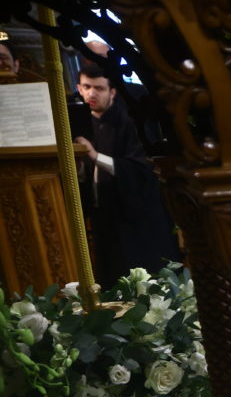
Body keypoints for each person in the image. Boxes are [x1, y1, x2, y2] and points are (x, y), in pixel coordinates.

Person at [74, 63, 181, 285]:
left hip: (136, 217)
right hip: (104, 216)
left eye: (99, 88)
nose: (92, 94)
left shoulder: (129, 120)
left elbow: (141, 168)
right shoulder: (79, 123)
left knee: (147, 281)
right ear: (79, 88)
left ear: (112, 92)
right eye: (86, 87)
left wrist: (95, 156)